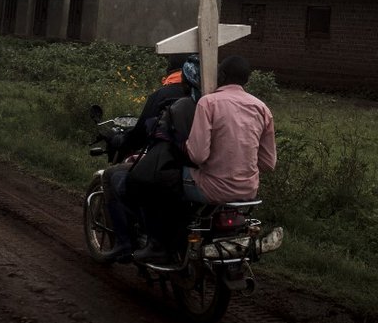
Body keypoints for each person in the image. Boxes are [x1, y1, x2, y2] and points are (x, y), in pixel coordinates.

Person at [100, 54, 187, 262]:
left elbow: (140, 135)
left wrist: (121, 141)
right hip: (197, 167)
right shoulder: (204, 95)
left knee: (116, 178)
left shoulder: (162, 95)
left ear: (170, 71)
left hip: (165, 165)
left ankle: (124, 243)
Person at [183, 55, 276, 205]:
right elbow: (268, 163)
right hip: (249, 191)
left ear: (221, 75)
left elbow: (198, 156)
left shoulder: (207, 103)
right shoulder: (262, 108)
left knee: (167, 177)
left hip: (210, 189)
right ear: (246, 80)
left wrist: (187, 144)